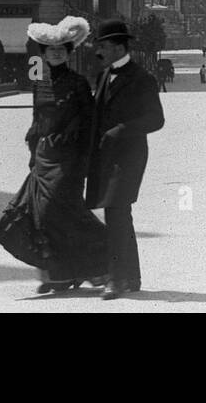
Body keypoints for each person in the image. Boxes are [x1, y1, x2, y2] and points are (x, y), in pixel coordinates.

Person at [0, 17, 108, 293]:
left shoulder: (79, 84)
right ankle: (60, 273)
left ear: (69, 53)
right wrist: (34, 154)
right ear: (43, 54)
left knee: (60, 210)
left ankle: (104, 261)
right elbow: (36, 121)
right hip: (44, 157)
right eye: (51, 51)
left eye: (62, 50)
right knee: (42, 216)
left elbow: (89, 122)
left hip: (69, 159)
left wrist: (83, 159)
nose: (56, 54)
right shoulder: (40, 83)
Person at [85, 18, 165, 298]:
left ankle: (117, 279)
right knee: (119, 215)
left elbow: (157, 119)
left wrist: (123, 130)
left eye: (104, 46)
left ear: (119, 48)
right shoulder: (105, 75)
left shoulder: (142, 78)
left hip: (129, 157)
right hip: (107, 157)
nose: (100, 52)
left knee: (116, 212)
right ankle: (131, 276)